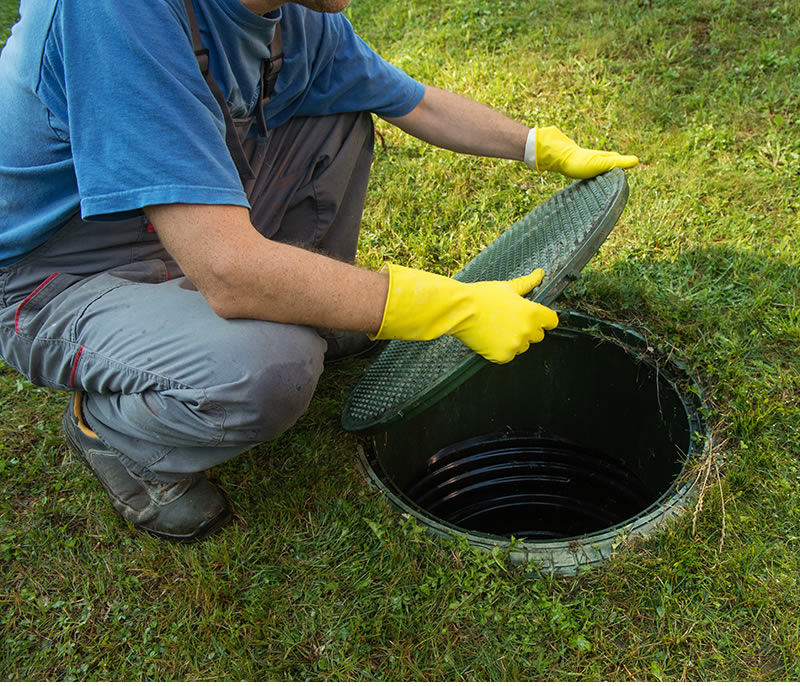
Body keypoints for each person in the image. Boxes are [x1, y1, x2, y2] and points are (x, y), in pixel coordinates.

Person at [0, 0, 638, 541]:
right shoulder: (113, 15)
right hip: (58, 276)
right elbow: (228, 270)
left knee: (336, 112)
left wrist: (539, 146)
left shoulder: (290, 14)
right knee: (267, 366)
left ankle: (308, 315)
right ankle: (111, 433)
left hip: (182, 228)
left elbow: (413, 102)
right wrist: (448, 306)